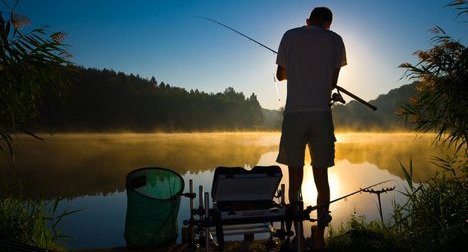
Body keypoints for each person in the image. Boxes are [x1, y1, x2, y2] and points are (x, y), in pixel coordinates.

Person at [275, 6, 347, 249]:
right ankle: (320, 236)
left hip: (295, 114)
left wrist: (296, 66)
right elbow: (332, 82)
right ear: (328, 23)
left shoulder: (289, 35)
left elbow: (280, 74)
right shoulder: (336, 40)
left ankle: (296, 232)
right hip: (321, 115)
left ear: (309, 19)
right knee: (321, 176)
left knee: (294, 178)